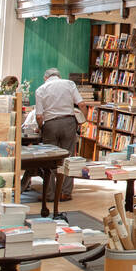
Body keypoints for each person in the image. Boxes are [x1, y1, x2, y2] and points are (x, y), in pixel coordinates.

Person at [34, 68, 82, 199]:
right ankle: (65, 192)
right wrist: (83, 120)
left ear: (45, 78)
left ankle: (49, 194)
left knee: (49, 159)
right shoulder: (69, 84)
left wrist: (40, 128)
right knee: (68, 157)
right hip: (69, 122)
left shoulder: (40, 89)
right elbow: (81, 103)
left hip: (50, 125)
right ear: (59, 76)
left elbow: (39, 116)